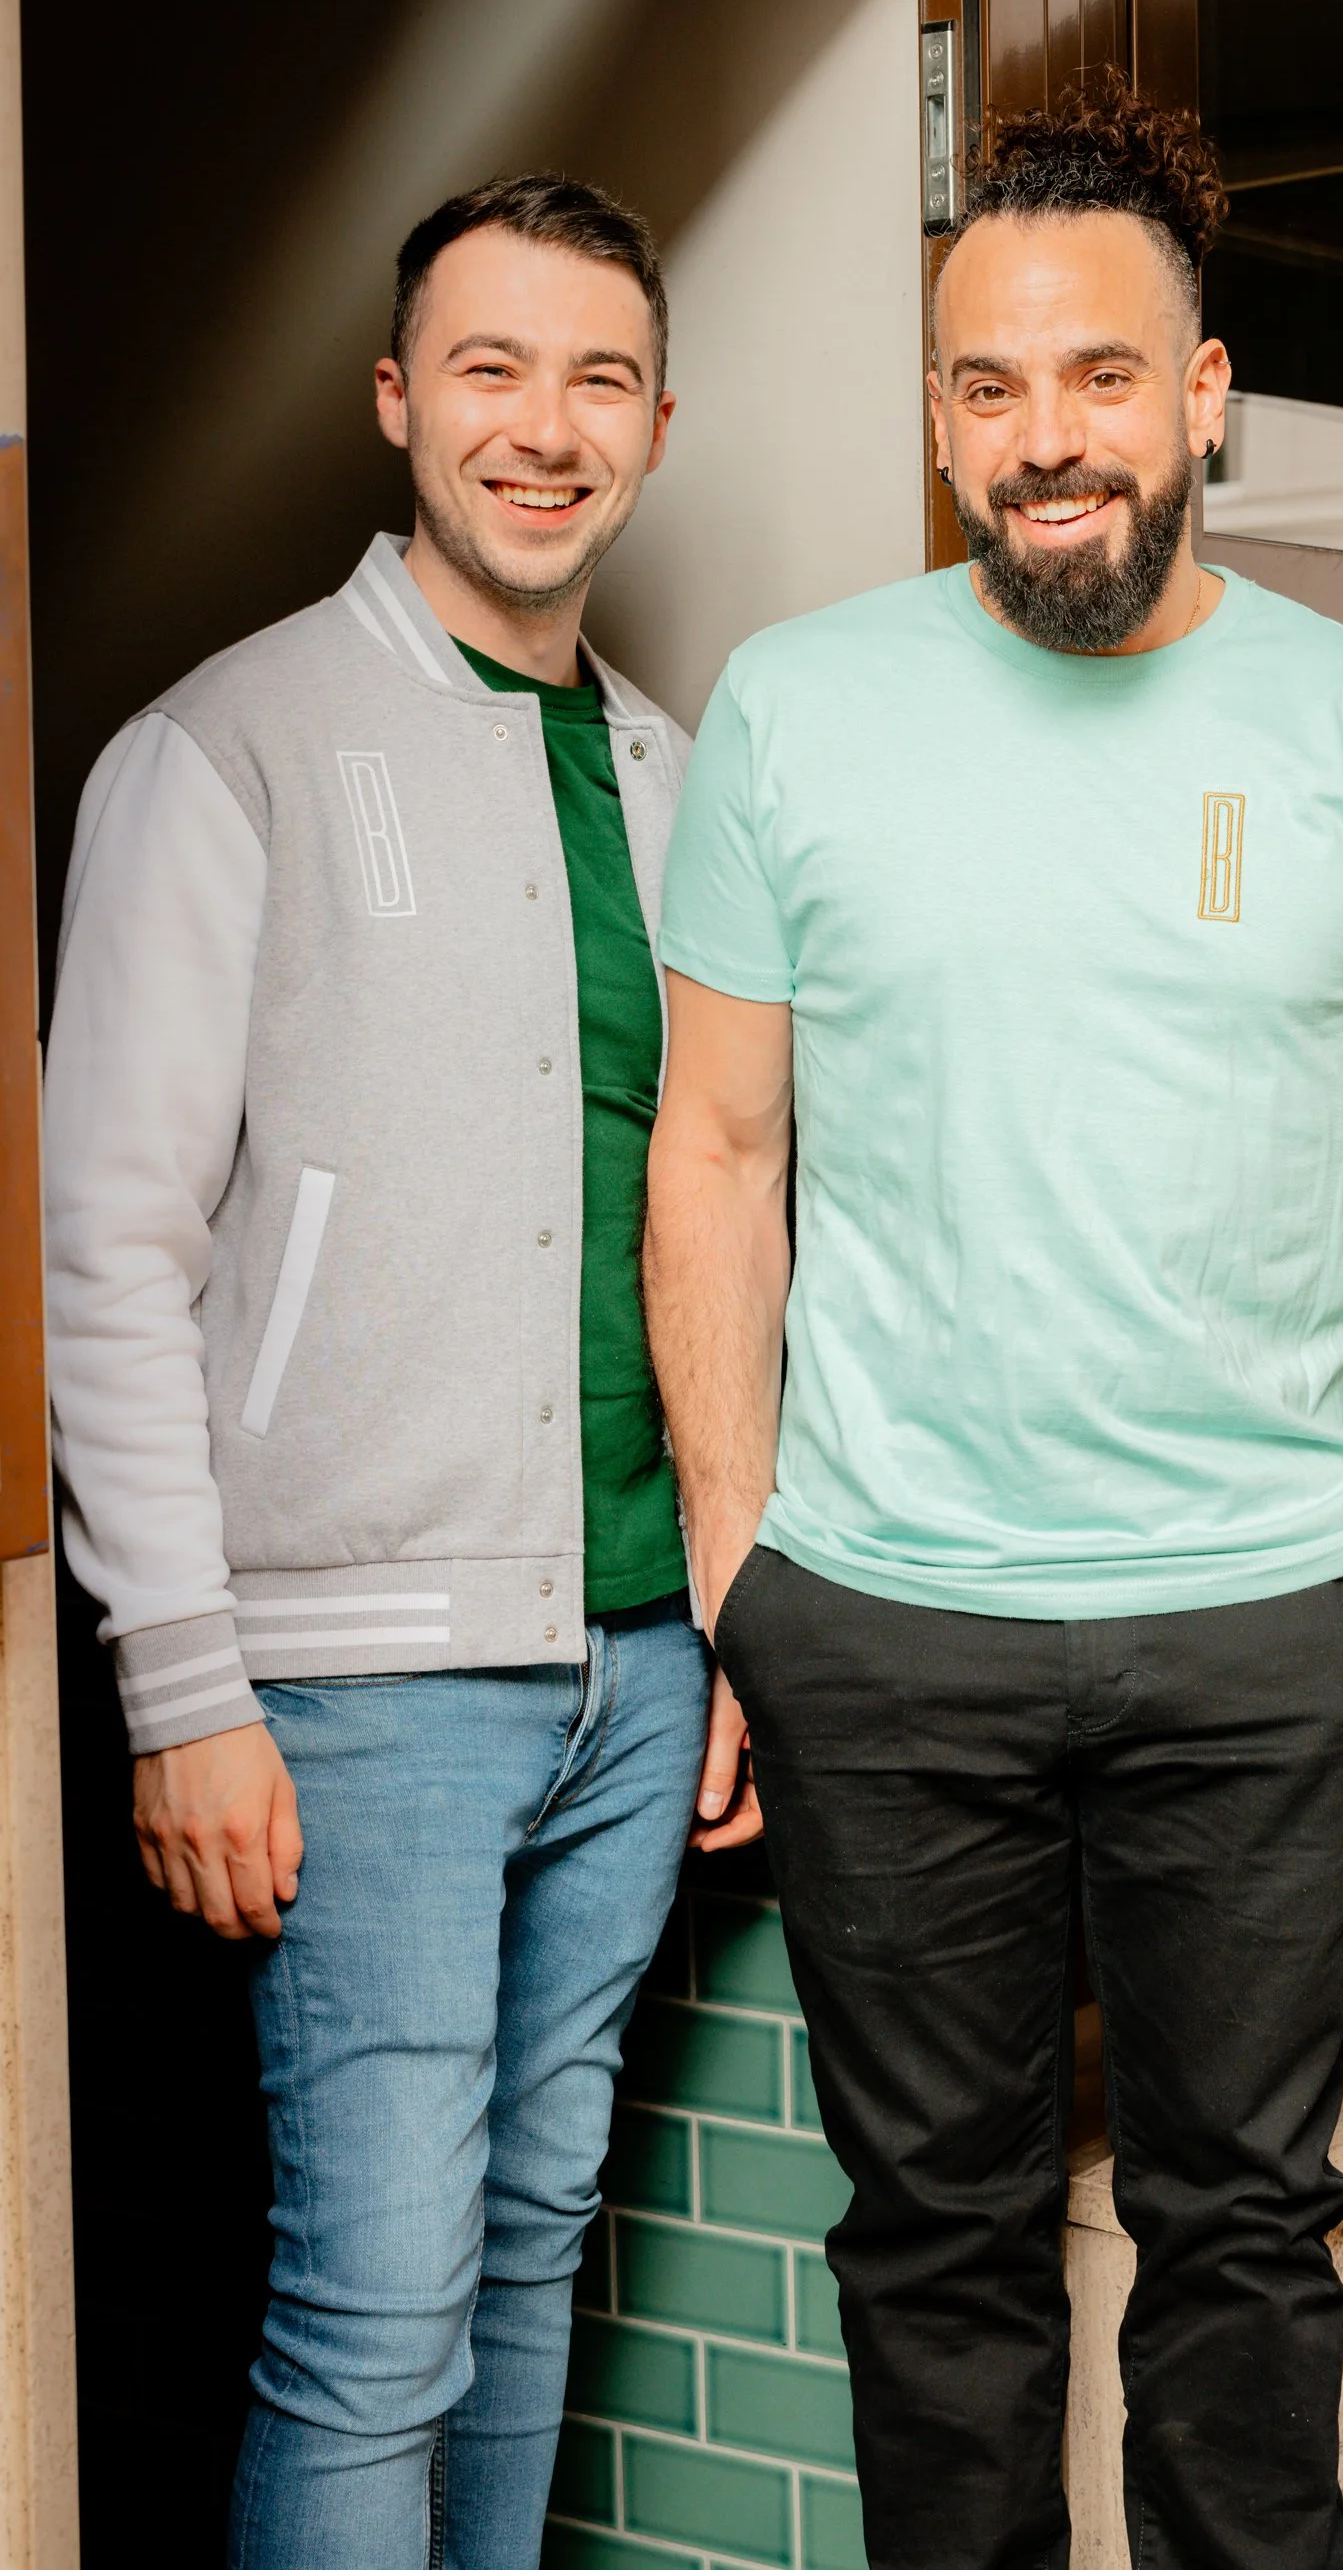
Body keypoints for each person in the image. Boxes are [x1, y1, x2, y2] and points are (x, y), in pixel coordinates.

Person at [646, 78, 1343, 2570]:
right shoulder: (796, 706)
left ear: (1203, 391)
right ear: (936, 410)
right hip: (890, 1622)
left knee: (1237, 2252)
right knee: (933, 2266)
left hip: (1257, 1630)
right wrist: (745, 1565)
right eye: (984, 387)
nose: (1039, 441)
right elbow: (713, 1155)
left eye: (1093, 379)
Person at [43, 173, 711, 2570]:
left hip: (634, 1660)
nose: (547, 426)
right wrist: (182, 1683)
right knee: (374, 2313)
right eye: (495, 368)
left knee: (531, 2253)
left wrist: (722, 1622)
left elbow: (714, 1227)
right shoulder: (225, 748)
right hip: (355, 1686)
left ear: (656, 418)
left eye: (600, 374)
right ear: (399, 398)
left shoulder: (672, 772)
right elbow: (105, 1248)